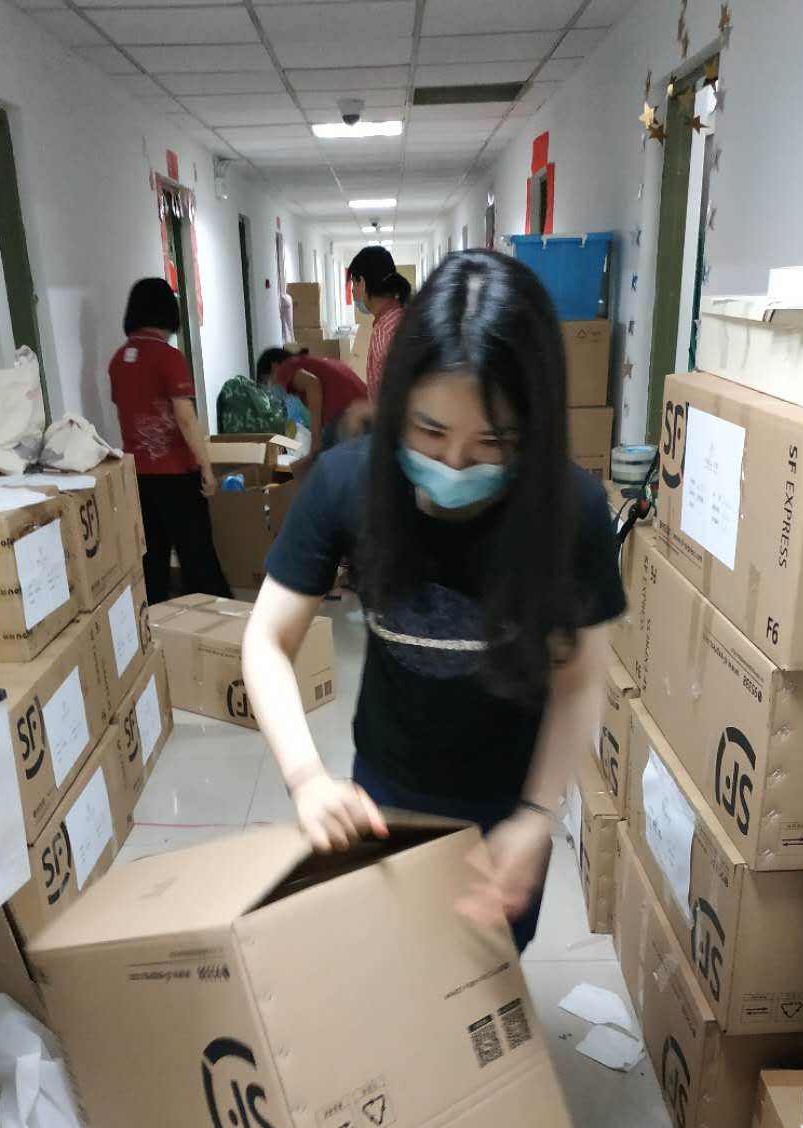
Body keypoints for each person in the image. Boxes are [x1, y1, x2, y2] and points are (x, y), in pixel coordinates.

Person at [242, 251, 626, 956]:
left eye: (491, 442)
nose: (453, 465)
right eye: (429, 432)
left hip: (510, 791)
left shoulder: (569, 508)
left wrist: (538, 815)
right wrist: (305, 777)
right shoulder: (347, 484)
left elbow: (579, 679)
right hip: (386, 785)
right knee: (396, 964)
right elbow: (267, 638)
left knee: (488, 969)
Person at [109, 278, 230, 604]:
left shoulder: (118, 361)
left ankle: (155, 624)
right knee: (198, 559)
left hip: (137, 477)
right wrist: (206, 466)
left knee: (151, 561)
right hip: (177, 476)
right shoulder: (169, 358)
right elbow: (185, 418)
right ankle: (215, 621)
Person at [256, 348, 366, 457]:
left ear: (274, 366)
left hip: (347, 413)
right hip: (364, 408)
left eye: (268, 379)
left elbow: (313, 383)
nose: (273, 384)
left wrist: (315, 437)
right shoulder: (307, 362)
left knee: (325, 458)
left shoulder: (285, 368)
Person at [348, 245, 412, 402]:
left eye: (354, 283)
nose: (353, 291)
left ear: (362, 283)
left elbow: (395, 399)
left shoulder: (384, 332)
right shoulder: (401, 316)